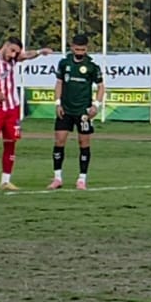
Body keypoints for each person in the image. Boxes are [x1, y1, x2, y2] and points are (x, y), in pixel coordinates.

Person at [0, 36, 54, 192]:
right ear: (5, 46)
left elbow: (27, 55)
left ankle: (5, 180)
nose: (14, 55)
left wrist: (41, 51)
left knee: (10, 142)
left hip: (12, 107)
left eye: (16, 52)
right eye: (12, 50)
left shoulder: (13, 58)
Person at [49, 33, 106, 190]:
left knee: (84, 143)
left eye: (83, 49)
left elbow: (101, 87)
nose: (80, 52)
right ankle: (57, 178)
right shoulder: (64, 63)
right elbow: (59, 83)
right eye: (77, 49)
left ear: (86, 49)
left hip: (83, 112)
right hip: (65, 110)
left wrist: (96, 105)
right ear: (72, 47)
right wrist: (57, 103)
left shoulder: (92, 66)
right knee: (59, 141)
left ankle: (82, 179)